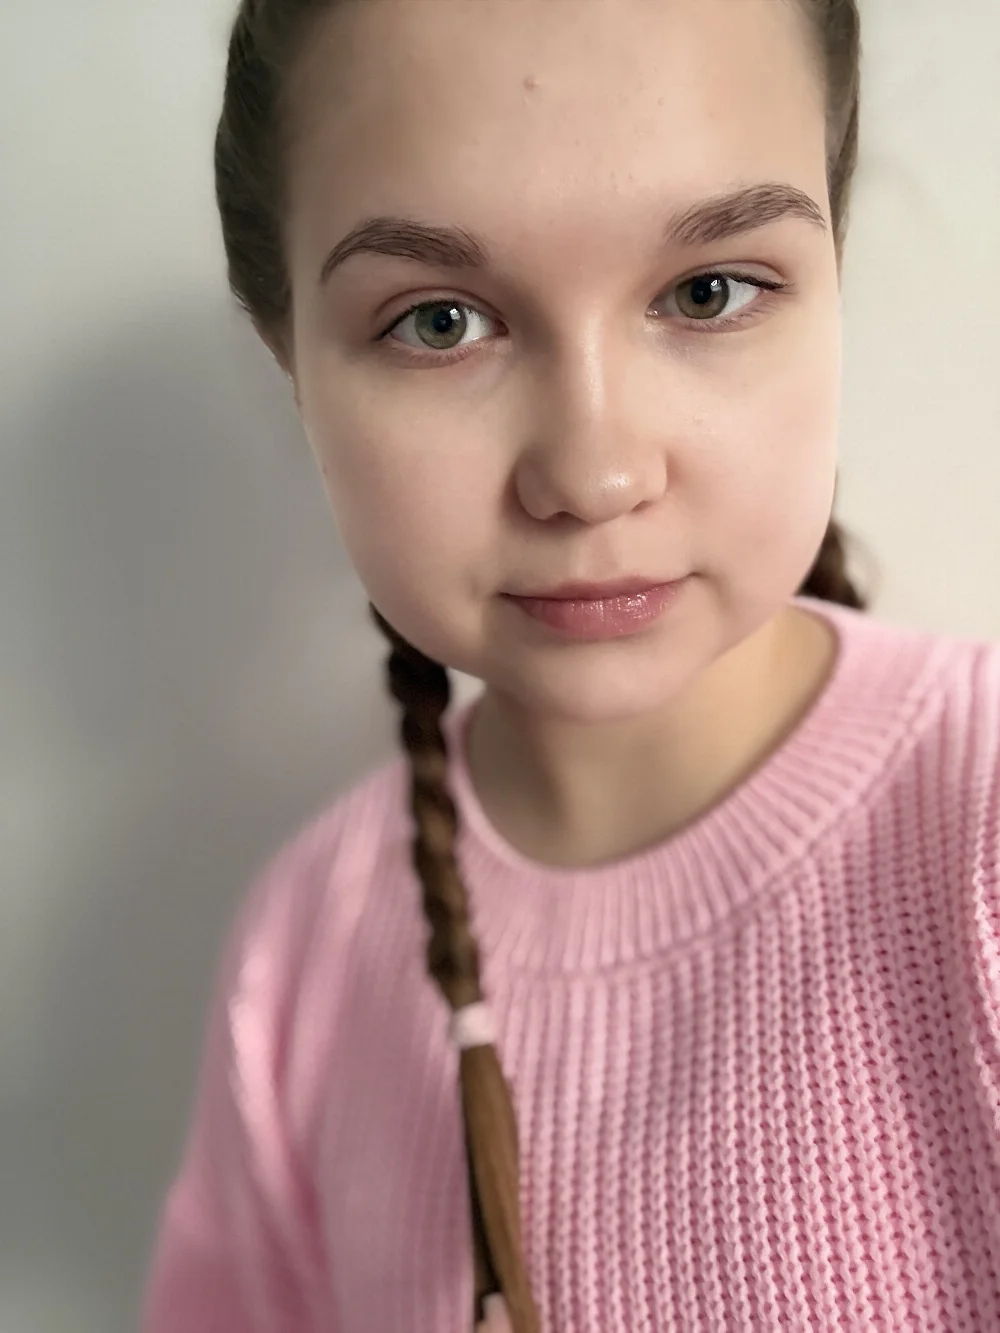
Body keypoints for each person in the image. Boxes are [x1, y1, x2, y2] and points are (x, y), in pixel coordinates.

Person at [142, 0, 1000, 1328]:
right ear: (289, 358)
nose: (594, 475)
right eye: (439, 322)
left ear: (833, 275)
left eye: (709, 292)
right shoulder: (304, 959)